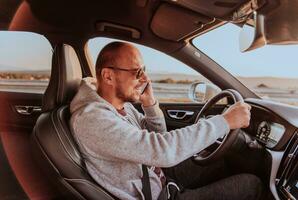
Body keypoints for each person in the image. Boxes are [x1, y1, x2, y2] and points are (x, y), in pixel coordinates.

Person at [69, 41, 264, 200]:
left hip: (158, 176)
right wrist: (225, 121)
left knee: (223, 161)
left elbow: (157, 136)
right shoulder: (93, 119)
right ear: (108, 76)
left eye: (144, 70)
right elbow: (162, 150)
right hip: (159, 195)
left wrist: (149, 103)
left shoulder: (121, 107)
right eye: (137, 72)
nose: (145, 78)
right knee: (250, 185)